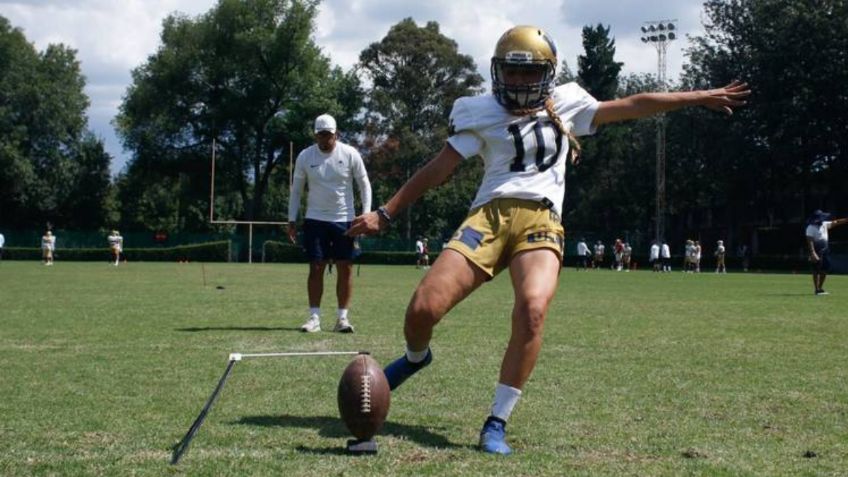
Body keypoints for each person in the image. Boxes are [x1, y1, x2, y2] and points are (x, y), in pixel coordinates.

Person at [347, 25, 749, 454]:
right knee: (423, 309)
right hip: (488, 217)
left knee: (534, 309)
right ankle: (415, 358)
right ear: (497, 72)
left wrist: (698, 96)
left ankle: (496, 421)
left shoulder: (569, 103)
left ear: (548, 73)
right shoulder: (478, 110)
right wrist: (387, 212)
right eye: (511, 72)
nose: (519, 82)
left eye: (529, 72)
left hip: (542, 218)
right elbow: (439, 168)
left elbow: (633, 104)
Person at [287, 114, 372, 333]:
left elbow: (364, 185)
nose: (325, 140)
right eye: (321, 135)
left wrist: (366, 214)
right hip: (315, 219)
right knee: (316, 267)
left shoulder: (350, 154)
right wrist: (291, 219)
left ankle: (342, 319)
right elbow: (296, 190)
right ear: (315, 134)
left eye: (329, 135)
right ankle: (314, 318)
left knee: (346, 268)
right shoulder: (305, 156)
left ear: (337, 134)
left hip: (345, 220)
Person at [805, 209, 847, 296]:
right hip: (816, 251)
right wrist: (813, 253)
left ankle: (820, 288)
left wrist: (846, 220)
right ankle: (816, 289)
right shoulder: (810, 228)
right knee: (816, 270)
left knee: (825, 270)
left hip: (825, 251)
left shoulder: (824, 224)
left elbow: (836, 222)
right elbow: (810, 241)